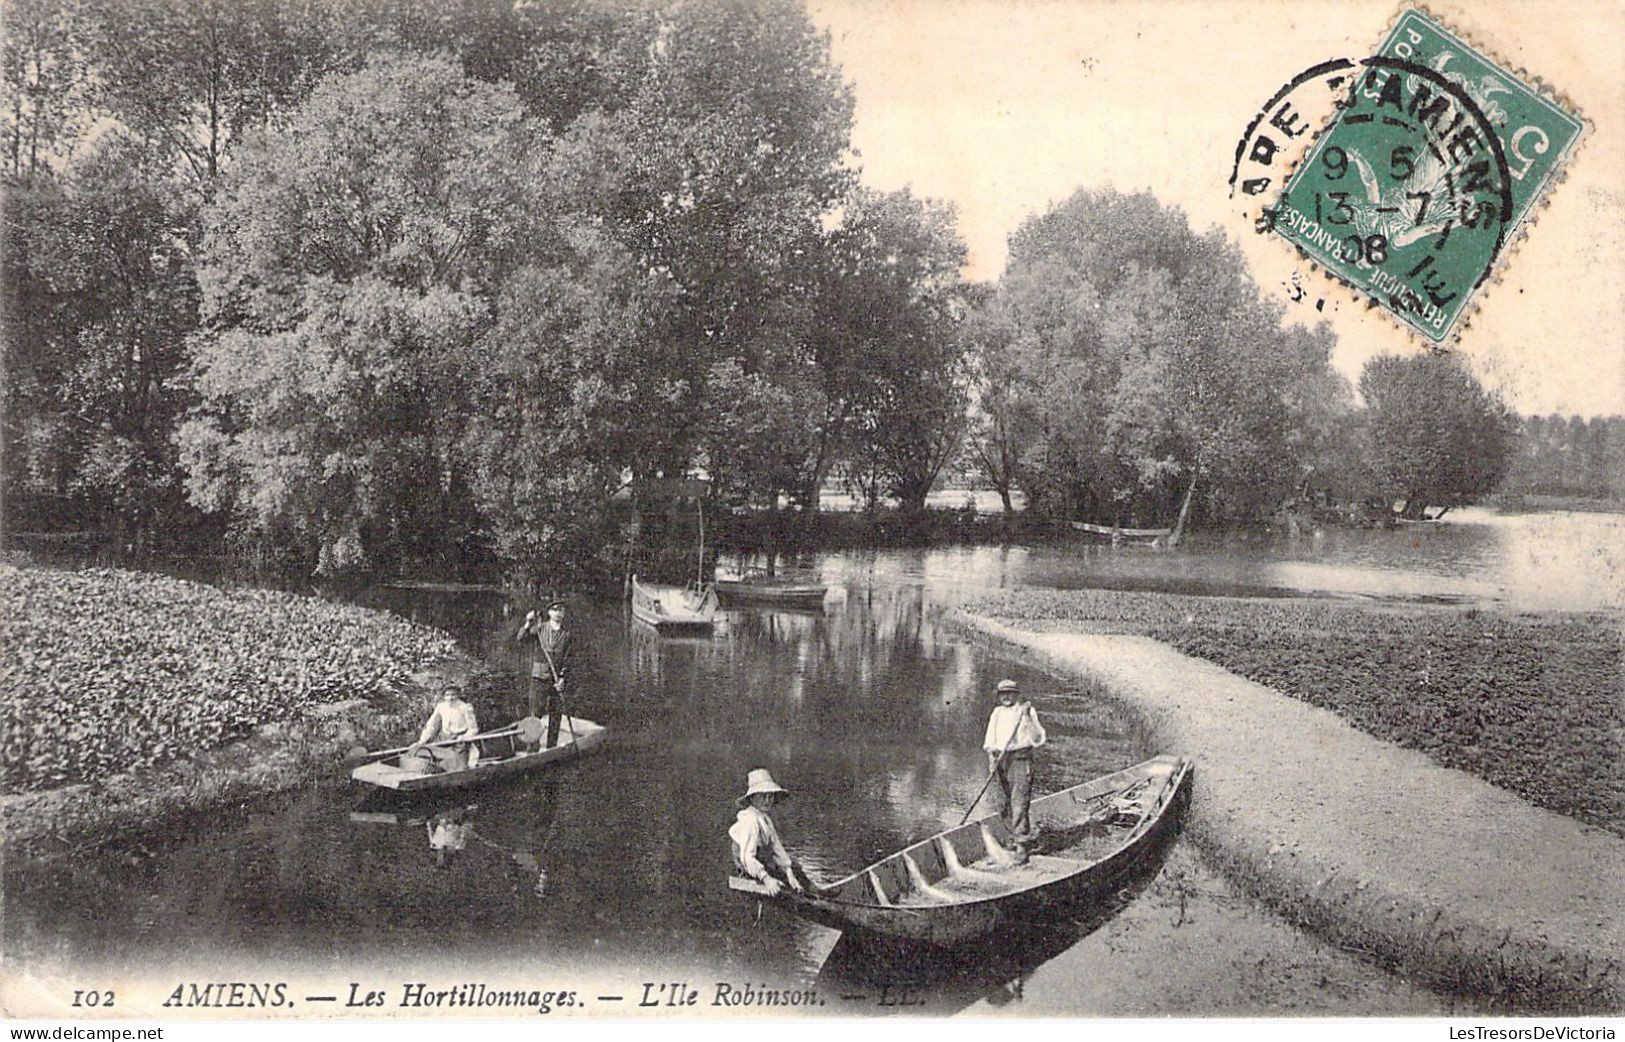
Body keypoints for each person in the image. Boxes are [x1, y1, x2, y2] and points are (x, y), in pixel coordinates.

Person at [728, 768, 813, 897]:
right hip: (749, 868)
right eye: (763, 796)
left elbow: (777, 848)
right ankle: (806, 895)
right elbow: (747, 858)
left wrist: (789, 873)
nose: (767, 800)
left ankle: (813, 892)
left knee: (793, 866)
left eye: (770, 796)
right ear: (752, 798)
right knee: (777, 880)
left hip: (761, 860)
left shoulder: (765, 818)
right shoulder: (750, 819)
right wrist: (767, 879)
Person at [982, 678, 1047, 846]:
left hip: (1020, 759)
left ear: (1016, 694)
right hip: (1000, 760)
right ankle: (1012, 837)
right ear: (998, 696)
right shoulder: (997, 712)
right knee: (1004, 801)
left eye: (1009, 693)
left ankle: (1022, 844)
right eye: (1002, 693)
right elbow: (990, 739)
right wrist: (991, 759)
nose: (1006, 696)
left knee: (1019, 802)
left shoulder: (1027, 711)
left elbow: (1038, 739)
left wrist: (1026, 717)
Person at [515, 600, 574, 748]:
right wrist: (528, 622)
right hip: (539, 677)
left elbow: (570, 658)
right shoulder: (540, 629)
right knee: (535, 713)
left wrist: (563, 679)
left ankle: (552, 747)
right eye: (555, 610)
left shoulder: (567, 634)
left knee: (555, 714)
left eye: (561, 610)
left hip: (556, 680)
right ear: (549, 612)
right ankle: (532, 747)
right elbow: (521, 638)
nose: (558, 613)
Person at [409, 685, 481, 773]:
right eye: (447, 695)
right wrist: (422, 741)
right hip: (444, 738)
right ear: (443, 696)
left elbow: (473, 729)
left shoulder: (465, 707)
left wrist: (464, 737)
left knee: (460, 769)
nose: (450, 698)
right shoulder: (441, 707)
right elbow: (431, 725)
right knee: (423, 752)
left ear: (458, 695)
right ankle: (434, 770)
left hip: (459, 742)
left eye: (453, 695)